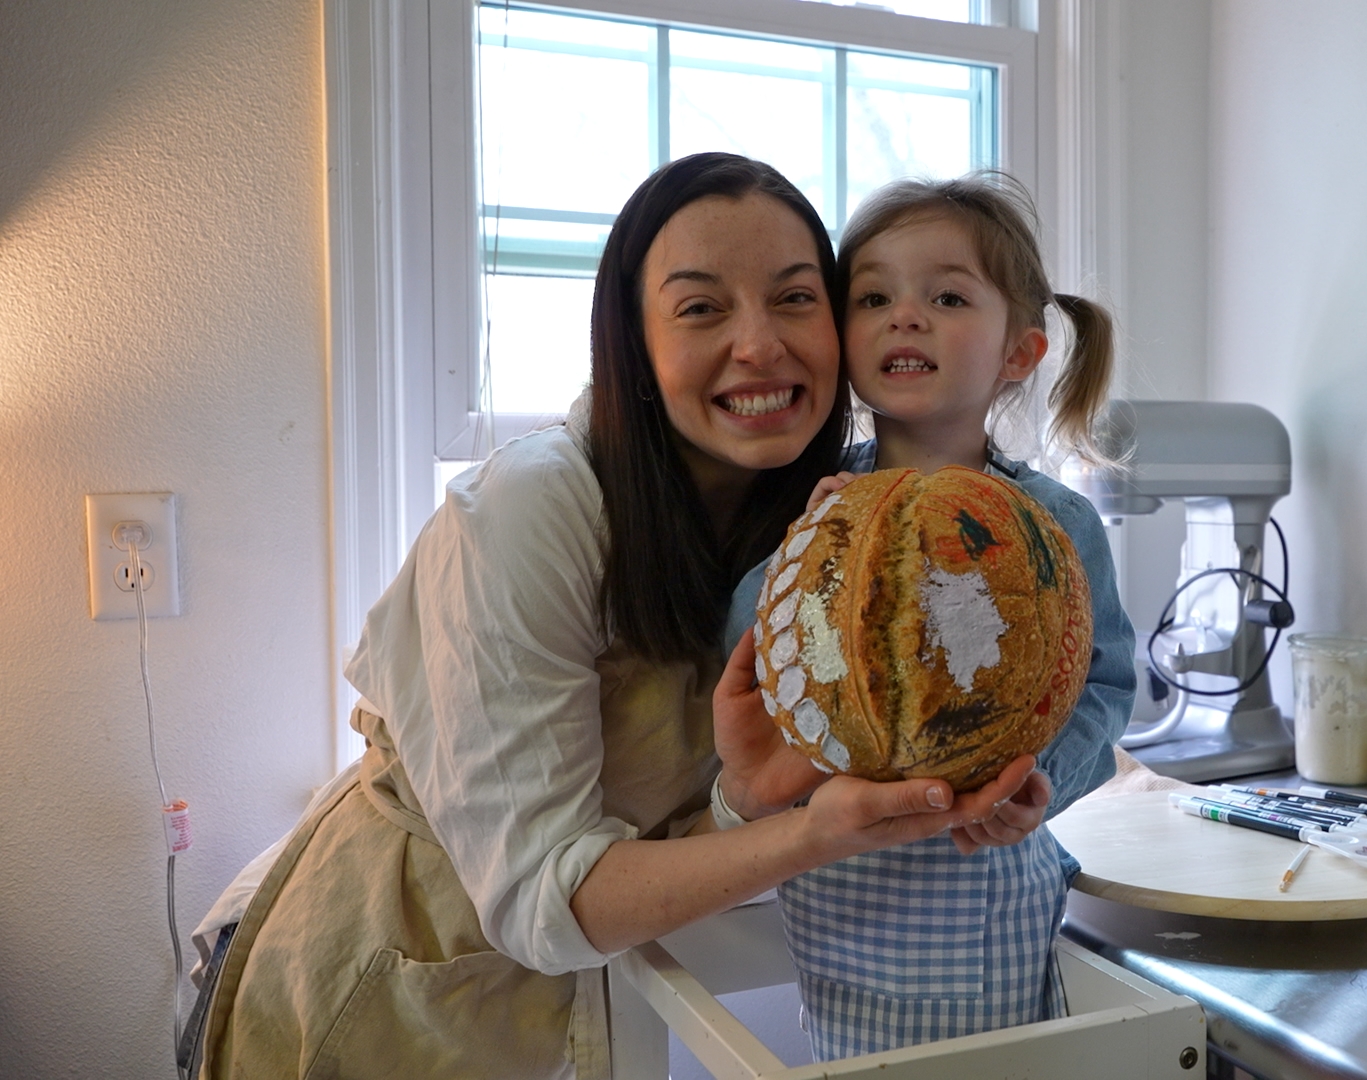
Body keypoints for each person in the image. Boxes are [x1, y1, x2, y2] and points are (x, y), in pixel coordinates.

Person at [184, 153, 1041, 1080]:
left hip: (589, 993)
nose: (759, 345)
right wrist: (814, 832)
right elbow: (544, 899)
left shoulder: (821, 518)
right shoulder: (532, 508)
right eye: (702, 308)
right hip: (382, 979)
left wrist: (748, 801)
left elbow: (672, 825)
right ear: (634, 342)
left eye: (795, 299)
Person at [721, 171, 1135, 1061]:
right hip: (840, 898)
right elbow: (752, 670)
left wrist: (1036, 783)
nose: (905, 316)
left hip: (995, 893)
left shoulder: (1058, 525)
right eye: (873, 297)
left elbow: (1103, 688)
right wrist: (798, 552)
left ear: (1019, 353)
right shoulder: (809, 509)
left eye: (946, 296)